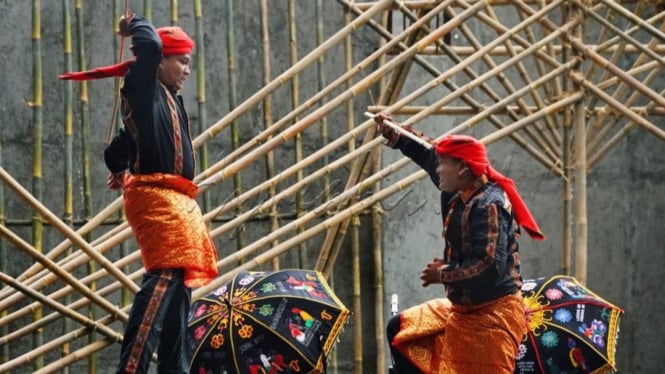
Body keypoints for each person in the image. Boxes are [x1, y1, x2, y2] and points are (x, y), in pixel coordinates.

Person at [59, 14, 218, 374]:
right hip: (158, 200)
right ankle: (132, 368)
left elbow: (119, 147)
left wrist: (118, 168)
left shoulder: (167, 99)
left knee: (178, 290)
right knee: (163, 278)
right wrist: (132, 22)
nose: (187, 71)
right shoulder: (143, 87)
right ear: (160, 61)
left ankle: (173, 369)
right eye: (182, 61)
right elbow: (148, 44)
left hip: (177, 202)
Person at [374, 113, 545, 373]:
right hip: (462, 311)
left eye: (444, 164)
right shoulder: (458, 190)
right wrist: (396, 133)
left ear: (463, 168)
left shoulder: (491, 205)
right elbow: (429, 153)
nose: (438, 168)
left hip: (492, 318)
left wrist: (444, 273)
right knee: (400, 329)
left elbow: (489, 267)